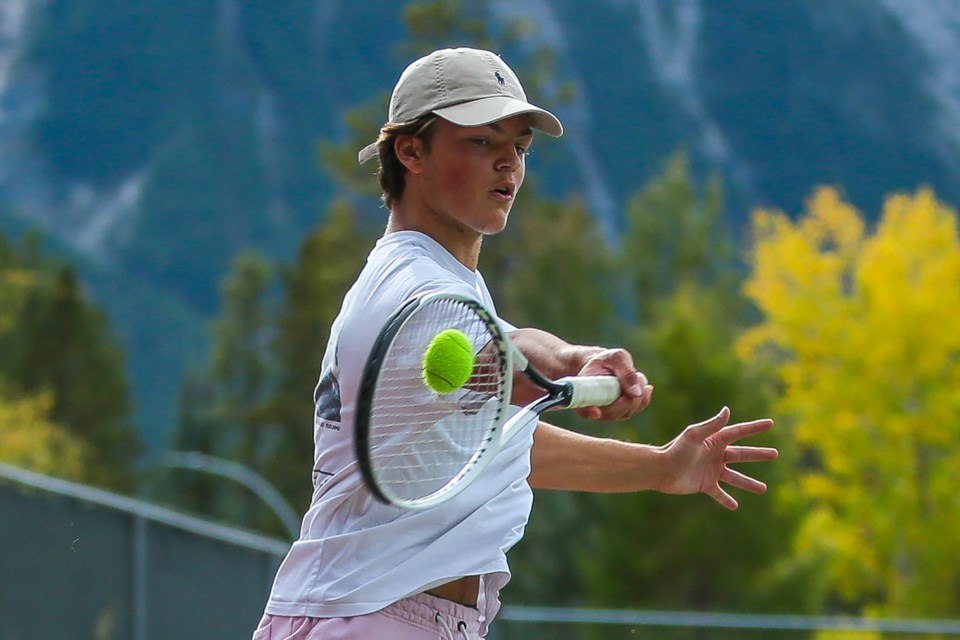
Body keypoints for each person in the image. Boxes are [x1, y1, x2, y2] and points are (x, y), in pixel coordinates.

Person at [253, 47, 777, 640]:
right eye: (482, 142)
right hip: (367, 618)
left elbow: (507, 448)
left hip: (382, 617)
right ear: (410, 151)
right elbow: (504, 352)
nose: (509, 164)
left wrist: (659, 468)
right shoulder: (413, 288)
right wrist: (571, 361)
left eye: (520, 148)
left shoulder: (441, 281)